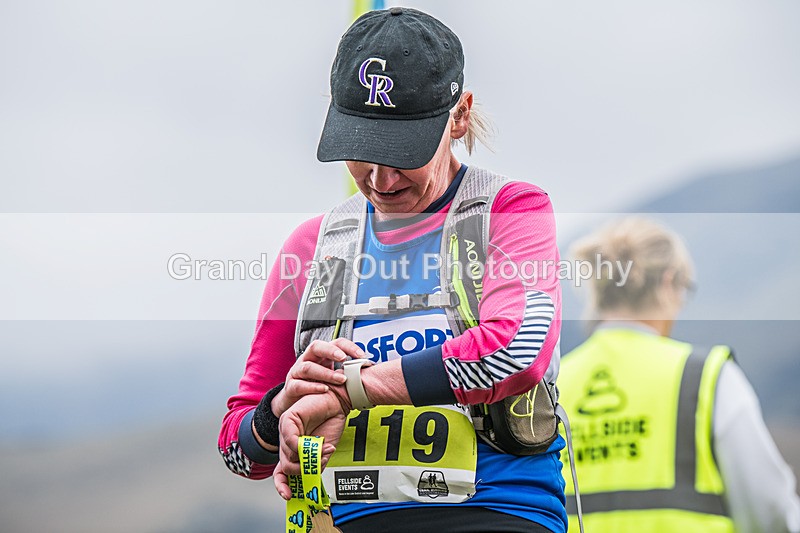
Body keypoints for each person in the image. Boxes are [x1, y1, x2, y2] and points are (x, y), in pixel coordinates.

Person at [219, 7, 568, 533]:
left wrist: (348, 388)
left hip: (494, 514)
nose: (380, 178)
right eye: (360, 149)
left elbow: (515, 352)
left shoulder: (511, 210)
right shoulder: (312, 248)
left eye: (401, 150)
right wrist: (281, 411)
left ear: (459, 115)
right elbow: (237, 452)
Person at [558, 216, 800, 532]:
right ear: (669, 282)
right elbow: (770, 510)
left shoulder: (553, 385)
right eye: (686, 289)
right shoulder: (705, 377)